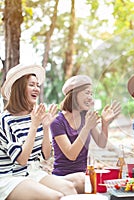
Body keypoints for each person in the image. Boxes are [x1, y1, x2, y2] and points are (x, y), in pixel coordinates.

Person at [0, 64, 77, 200]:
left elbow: (46, 155)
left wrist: (46, 126)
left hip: (31, 172)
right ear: (19, 88)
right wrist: (34, 126)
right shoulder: (5, 120)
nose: (37, 88)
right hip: (9, 176)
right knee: (55, 196)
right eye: (31, 85)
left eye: (37, 85)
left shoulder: (35, 115)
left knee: (69, 188)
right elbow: (22, 160)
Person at [50, 75, 121, 193]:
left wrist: (105, 124)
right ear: (74, 95)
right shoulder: (57, 122)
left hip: (83, 177)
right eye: (87, 93)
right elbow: (71, 154)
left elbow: (101, 143)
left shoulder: (85, 117)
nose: (91, 98)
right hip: (62, 178)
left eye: (91, 94)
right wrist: (87, 127)